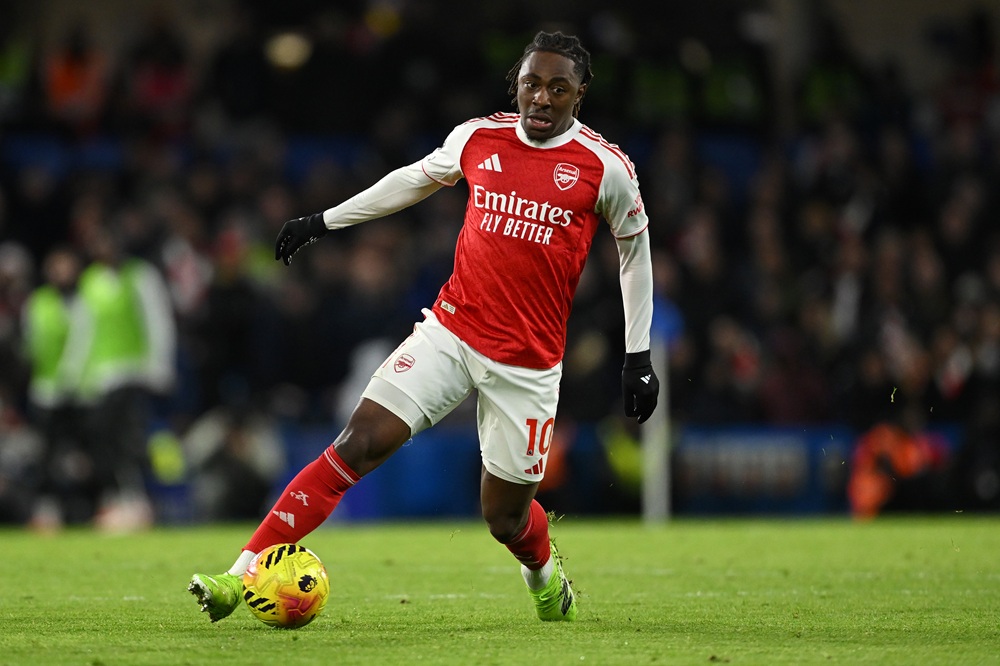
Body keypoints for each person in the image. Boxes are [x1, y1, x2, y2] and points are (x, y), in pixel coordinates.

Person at [188, 30, 659, 624]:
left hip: (528, 362)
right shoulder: (478, 137)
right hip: (452, 333)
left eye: (557, 88)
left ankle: (544, 573)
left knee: (505, 519)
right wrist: (324, 221)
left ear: (579, 95)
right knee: (357, 443)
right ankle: (238, 578)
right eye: (531, 84)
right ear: (516, 84)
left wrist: (637, 356)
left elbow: (634, 255)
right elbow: (409, 181)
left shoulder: (605, 168)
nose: (541, 99)